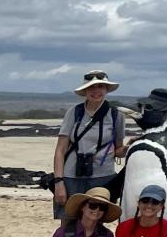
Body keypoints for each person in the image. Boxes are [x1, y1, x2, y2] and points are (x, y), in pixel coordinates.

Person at [51, 70, 126, 219]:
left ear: (106, 90)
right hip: (72, 175)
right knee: (69, 221)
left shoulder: (116, 115)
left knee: (96, 221)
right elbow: (60, 150)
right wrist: (58, 182)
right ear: (85, 91)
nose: (96, 91)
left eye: (101, 86)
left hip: (103, 177)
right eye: (92, 87)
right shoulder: (74, 112)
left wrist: (129, 148)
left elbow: (117, 150)